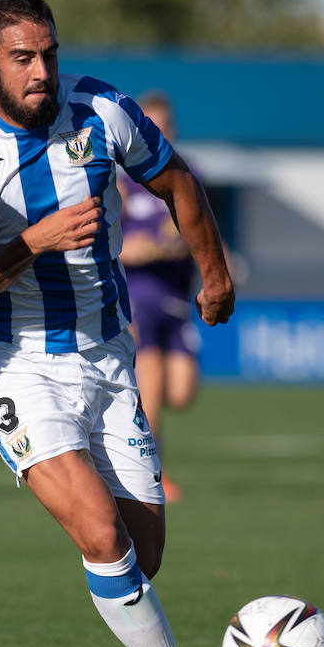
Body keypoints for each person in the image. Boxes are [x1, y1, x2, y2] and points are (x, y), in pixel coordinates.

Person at [0, 0, 235, 647]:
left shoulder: (103, 112)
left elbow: (178, 182)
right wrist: (35, 239)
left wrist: (214, 272)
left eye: (49, 53)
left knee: (141, 555)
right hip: (17, 359)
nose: (42, 71)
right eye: (23, 58)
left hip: (107, 356)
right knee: (101, 536)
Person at [117, 91, 202, 503]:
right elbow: (104, 239)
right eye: (152, 126)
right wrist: (126, 250)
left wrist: (156, 247)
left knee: (181, 393)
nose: (160, 133)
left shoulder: (186, 174)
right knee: (150, 392)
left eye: (165, 126)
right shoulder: (121, 180)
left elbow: (193, 234)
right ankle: (152, 476)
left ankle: (122, 439)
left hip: (177, 298)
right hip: (139, 299)